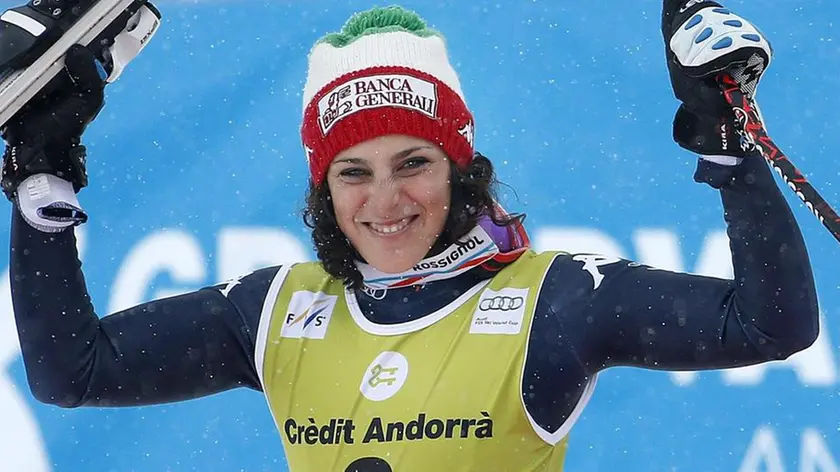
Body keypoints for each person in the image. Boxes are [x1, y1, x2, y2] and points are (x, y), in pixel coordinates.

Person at [0, 1, 820, 471]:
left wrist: (727, 144)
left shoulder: (558, 301)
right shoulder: (276, 312)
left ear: (463, 170)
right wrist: (44, 178)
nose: (385, 200)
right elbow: (73, 371)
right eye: (353, 172)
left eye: (414, 163)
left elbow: (770, 325)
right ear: (324, 190)